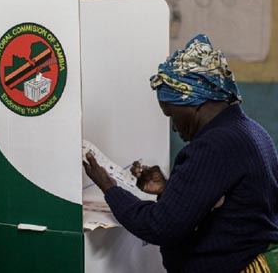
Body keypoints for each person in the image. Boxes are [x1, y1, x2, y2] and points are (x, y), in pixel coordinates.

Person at [83, 34, 278, 273]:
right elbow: (227, 210)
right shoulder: (251, 131)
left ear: (193, 102)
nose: (174, 127)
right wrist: (169, 191)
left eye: (171, 114)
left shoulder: (214, 146)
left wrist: (110, 188)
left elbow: (160, 226)